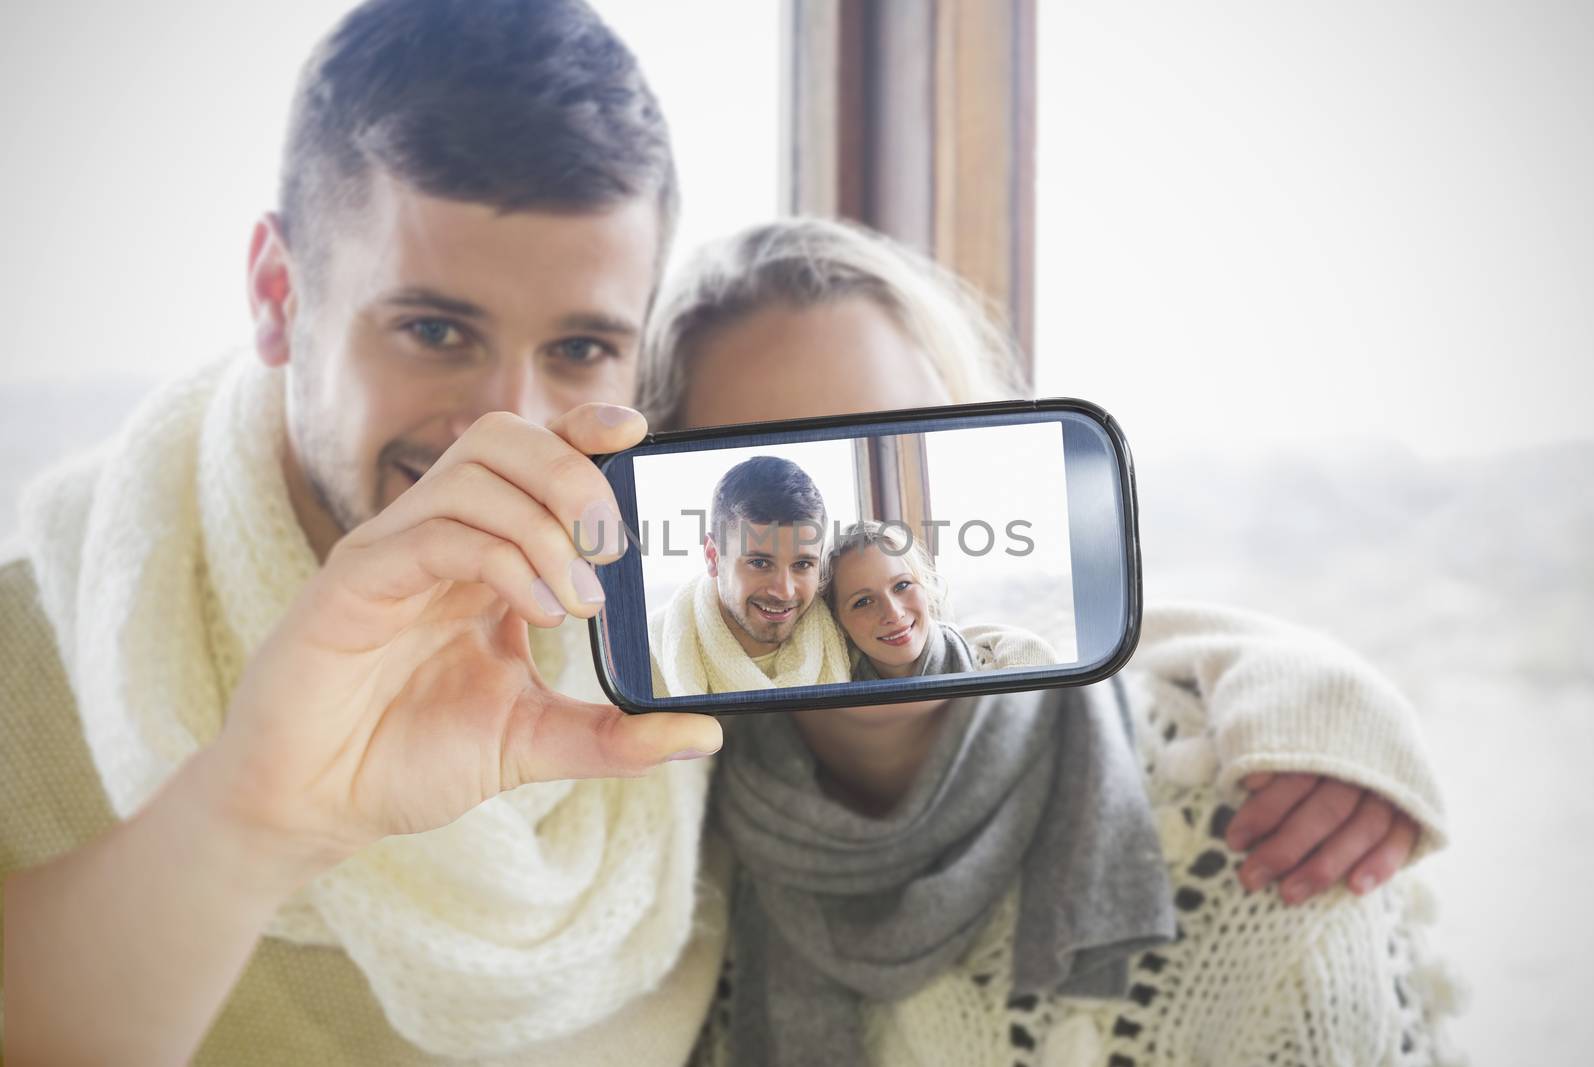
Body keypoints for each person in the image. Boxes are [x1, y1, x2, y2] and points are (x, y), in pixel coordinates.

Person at [0, 2, 726, 1064]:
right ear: (277, 294)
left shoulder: (685, 664)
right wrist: (253, 805)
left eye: (579, 347)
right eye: (434, 330)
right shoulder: (25, 670)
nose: (504, 425)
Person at [636, 217, 1462, 1063]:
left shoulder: (1262, 836)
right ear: (710, 557)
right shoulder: (656, 854)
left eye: (889, 442)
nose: (841, 564)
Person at [650, 455, 850, 695]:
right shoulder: (644, 654)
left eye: (803, 564)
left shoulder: (852, 639)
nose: (784, 591)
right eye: (759, 562)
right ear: (713, 556)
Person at [822, 519, 1058, 680]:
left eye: (902, 585)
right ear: (837, 622)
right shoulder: (830, 701)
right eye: (863, 601)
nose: (893, 613)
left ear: (924, 586)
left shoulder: (1009, 665)